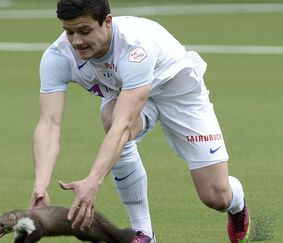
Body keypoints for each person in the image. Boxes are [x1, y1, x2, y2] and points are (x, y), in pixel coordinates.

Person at [28, 0, 251, 242]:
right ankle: (143, 233)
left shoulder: (135, 47)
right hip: (125, 92)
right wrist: (40, 186)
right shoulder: (58, 56)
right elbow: (49, 124)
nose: (77, 41)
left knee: (216, 197)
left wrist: (93, 181)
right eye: (69, 32)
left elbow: (125, 124)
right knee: (111, 119)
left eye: (85, 31)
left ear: (108, 22)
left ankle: (237, 203)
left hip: (178, 92)